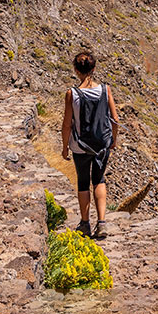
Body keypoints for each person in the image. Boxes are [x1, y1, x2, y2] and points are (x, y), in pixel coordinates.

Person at [61, 51, 118, 239]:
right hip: (102, 144)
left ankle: (85, 224)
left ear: (76, 70)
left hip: (80, 146)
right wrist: (113, 141)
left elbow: (67, 124)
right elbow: (115, 120)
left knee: (84, 182)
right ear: (93, 69)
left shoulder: (72, 94)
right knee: (99, 180)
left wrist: (64, 147)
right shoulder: (105, 90)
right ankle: (102, 223)